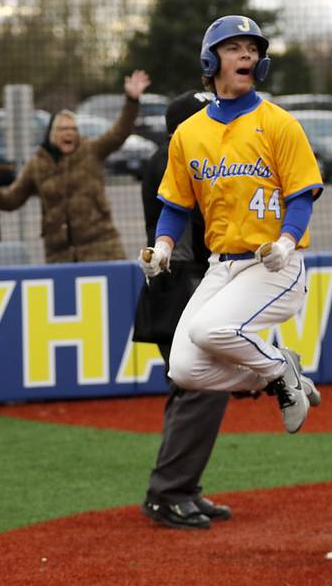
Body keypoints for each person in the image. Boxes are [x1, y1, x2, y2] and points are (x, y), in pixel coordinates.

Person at [138, 15, 322, 437]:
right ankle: (279, 372)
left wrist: (287, 243)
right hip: (221, 266)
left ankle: (278, 370)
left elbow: (301, 196)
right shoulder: (188, 133)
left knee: (209, 330)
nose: (247, 55)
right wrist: (163, 247)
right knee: (183, 368)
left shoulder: (280, 123)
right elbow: (174, 205)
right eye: (235, 47)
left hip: (273, 266)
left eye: (253, 49)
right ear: (211, 61)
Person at [137, 90, 233, 530]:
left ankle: (180, 487)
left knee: (192, 389)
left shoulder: (172, 155)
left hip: (179, 286)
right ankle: (169, 492)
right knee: (202, 389)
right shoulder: (175, 158)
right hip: (181, 286)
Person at [0, 70, 151, 263]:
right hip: (60, 257)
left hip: (102, 250)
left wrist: (132, 101)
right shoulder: (37, 164)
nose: (69, 133)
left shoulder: (92, 151)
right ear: (52, 134)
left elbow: (120, 132)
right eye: (63, 129)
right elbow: (12, 199)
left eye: (73, 129)